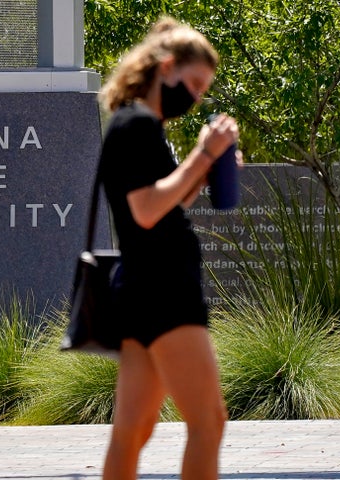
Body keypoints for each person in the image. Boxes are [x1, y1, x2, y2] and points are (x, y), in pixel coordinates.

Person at [97, 17, 240, 480]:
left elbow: (169, 198)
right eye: (195, 83)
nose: (197, 96)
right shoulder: (136, 124)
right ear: (167, 66)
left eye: (204, 89)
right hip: (163, 291)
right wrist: (203, 153)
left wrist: (206, 165)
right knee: (208, 422)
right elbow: (146, 209)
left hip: (143, 289)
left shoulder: (142, 126)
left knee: (133, 430)